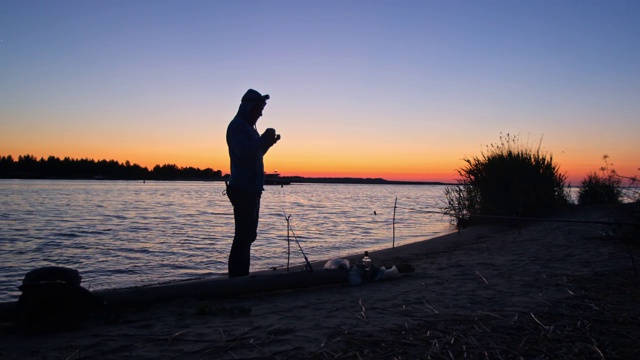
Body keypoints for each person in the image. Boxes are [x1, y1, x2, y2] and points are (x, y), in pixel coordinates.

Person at [225, 89, 280, 277]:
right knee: (243, 236)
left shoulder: (248, 128)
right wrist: (263, 139)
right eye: (259, 109)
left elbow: (254, 154)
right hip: (242, 189)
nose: (261, 114)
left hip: (252, 189)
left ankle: (241, 277)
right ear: (249, 108)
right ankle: (237, 278)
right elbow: (243, 153)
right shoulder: (237, 127)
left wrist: (267, 143)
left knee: (248, 236)